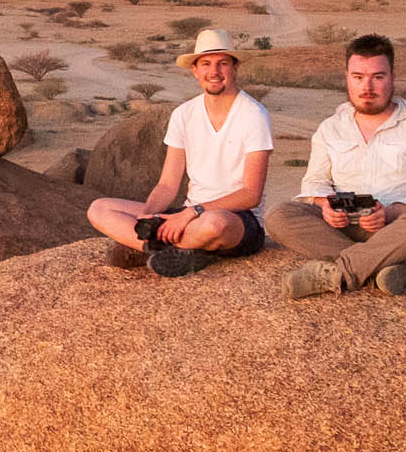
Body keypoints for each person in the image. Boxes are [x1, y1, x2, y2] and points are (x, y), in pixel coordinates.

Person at [88, 27, 274, 278]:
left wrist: (192, 213)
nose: (214, 72)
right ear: (195, 70)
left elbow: (251, 194)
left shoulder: (254, 115)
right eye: (206, 64)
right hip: (189, 216)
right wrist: (147, 216)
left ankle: (153, 248)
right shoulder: (184, 115)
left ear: (234, 68)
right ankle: (178, 249)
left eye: (223, 63)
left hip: (237, 221)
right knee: (99, 209)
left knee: (214, 223)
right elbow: (167, 185)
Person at [280, 33, 406, 298]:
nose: (367, 87)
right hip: (341, 226)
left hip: (396, 227)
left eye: (378, 77)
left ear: (392, 77)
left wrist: (391, 213)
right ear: (347, 77)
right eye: (358, 77)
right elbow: (313, 182)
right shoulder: (330, 128)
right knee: (280, 215)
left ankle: (336, 273)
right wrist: (325, 205)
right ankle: (386, 263)